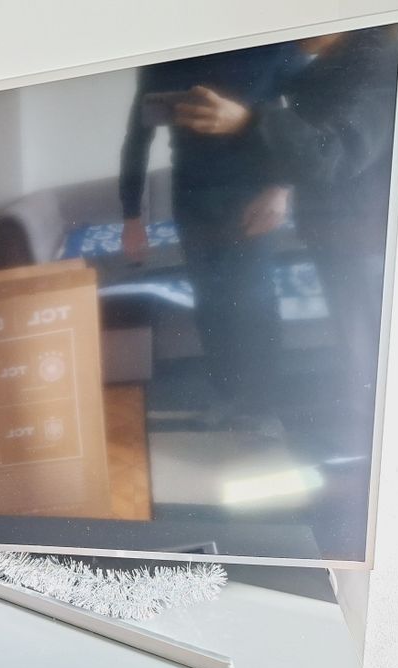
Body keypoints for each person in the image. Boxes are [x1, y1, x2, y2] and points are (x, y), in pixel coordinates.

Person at [174, 25, 398, 457]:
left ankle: (377, 454)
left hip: (367, 236)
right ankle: (360, 440)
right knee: (356, 341)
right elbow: (304, 144)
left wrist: (248, 122)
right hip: (337, 233)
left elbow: (329, 154)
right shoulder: (325, 69)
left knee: (371, 345)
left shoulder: (378, 65)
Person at [120, 42, 301, 426]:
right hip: (191, 199)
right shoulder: (164, 57)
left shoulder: (273, 44)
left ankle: (264, 410)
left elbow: (303, 117)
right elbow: (138, 136)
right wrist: (131, 216)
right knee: (210, 301)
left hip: (253, 194)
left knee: (253, 301)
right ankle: (228, 398)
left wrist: (282, 187)